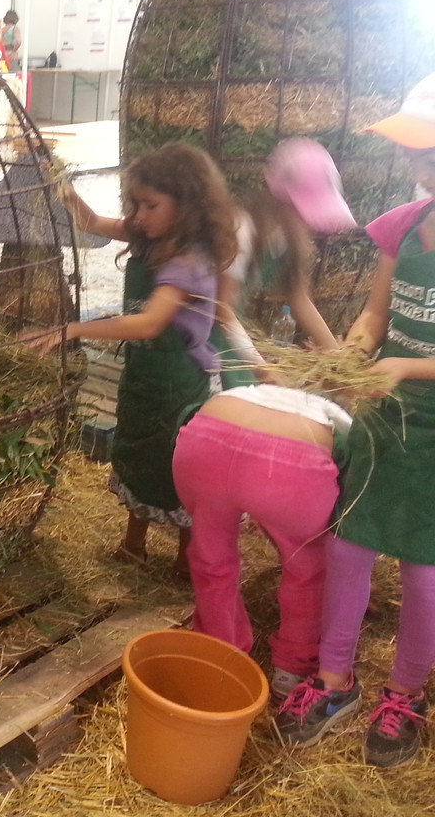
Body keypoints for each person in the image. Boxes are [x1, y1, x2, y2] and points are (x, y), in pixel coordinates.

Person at [276, 72, 435, 767]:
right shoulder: (405, 226)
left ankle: (408, 694)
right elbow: (376, 314)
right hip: (381, 413)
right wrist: (353, 352)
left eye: (427, 152)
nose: (415, 164)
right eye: (413, 151)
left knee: (425, 568)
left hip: (429, 422)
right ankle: (335, 679)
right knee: (351, 545)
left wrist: (405, 367)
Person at [27, 143, 237, 578]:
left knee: (180, 468)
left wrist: (75, 328)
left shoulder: (189, 260)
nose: (139, 216)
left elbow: (148, 324)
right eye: (134, 204)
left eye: (150, 205)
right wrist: (59, 183)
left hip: (181, 383)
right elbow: (90, 222)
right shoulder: (147, 237)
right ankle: (133, 544)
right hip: (144, 376)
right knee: (139, 454)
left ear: (187, 205)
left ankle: (186, 556)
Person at [173, 386, 351, 699]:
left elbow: (187, 412)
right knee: (306, 564)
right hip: (288, 464)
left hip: (206, 438)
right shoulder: (337, 413)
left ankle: (219, 655)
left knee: (211, 557)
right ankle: (292, 669)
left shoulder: (247, 389)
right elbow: (349, 481)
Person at [213, 137, 355, 386]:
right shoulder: (242, 229)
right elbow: (221, 309)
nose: (310, 223)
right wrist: (264, 370)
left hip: (234, 336)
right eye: (304, 211)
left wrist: (338, 360)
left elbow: (299, 298)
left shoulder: (286, 236)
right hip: (208, 336)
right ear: (280, 200)